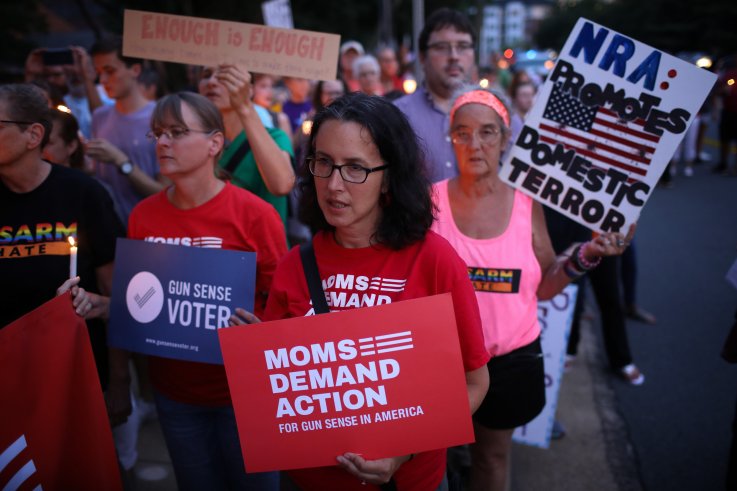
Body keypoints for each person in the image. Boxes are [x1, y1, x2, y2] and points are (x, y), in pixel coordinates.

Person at [230, 92, 490, 491]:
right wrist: (257, 360)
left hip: (409, 482)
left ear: (389, 176)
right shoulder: (293, 265)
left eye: (355, 168)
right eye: (323, 163)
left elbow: (474, 383)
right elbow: (289, 396)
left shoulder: (434, 260)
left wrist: (402, 452)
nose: (334, 185)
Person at [430, 86, 635, 491]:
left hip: (509, 359)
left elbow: (543, 287)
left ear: (506, 139)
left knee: (491, 459)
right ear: (450, 138)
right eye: (463, 132)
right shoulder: (429, 203)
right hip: (443, 361)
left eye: (488, 132)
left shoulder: (527, 201)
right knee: (432, 460)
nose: (475, 143)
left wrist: (586, 254)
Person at [127, 91, 287, 490]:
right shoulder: (143, 217)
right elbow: (143, 302)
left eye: (177, 132)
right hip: (176, 395)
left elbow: (286, 303)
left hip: (245, 395)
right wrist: (107, 306)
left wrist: (260, 329)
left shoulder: (255, 214)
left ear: (215, 143)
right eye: (158, 133)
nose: (163, 142)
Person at [0, 83, 130, 427]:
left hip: (78, 373)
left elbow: (114, 295)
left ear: (34, 135)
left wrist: (119, 381)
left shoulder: (82, 193)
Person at [199, 64, 295, 228]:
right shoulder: (196, 143)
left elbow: (282, 184)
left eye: (225, 75)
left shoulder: (275, 138)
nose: (211, 82)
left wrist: (244, 106)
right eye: (206, 74)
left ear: (249, 89)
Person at [88, 36, 167, 224]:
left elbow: (165, 193)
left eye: (110, 71)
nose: (103, 80)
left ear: (135, 70)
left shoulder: (162, 117)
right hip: (106, 227)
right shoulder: (100, 116)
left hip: (147, 230)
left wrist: (120, 160)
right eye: (99, 72)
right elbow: (98, 174)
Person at [394, 8, 476, 183]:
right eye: (442, 47)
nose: (454, 56)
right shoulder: (397, 116)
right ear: (423, 57)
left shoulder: (501, 115)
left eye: (462, 47)